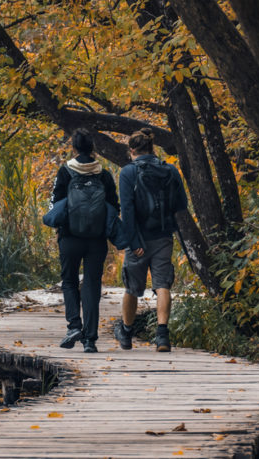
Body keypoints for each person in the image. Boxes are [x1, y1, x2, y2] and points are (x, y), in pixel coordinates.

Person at [114, 128, 187, 352]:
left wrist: (133, 242)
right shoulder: (170, 170)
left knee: (132, 288)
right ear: (152, 148)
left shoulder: (128, 173)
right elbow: (181, 204)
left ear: (132, 150)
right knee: (162, 285)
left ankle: (126, 332)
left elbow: (126, 210)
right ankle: (162, 336)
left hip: (138, 241)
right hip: (163, 236)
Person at [49, 129, 118, 353]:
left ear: (74, 148)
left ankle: (74, 327)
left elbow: (57, 204)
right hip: (96, 240)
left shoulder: (65, 172)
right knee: (92, 285)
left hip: (69, 237)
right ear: (93, 149)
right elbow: (113, 207)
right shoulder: (104, 175)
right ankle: (90, 340)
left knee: (69, 281)